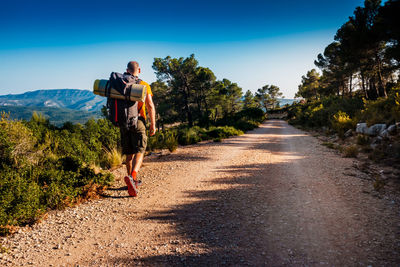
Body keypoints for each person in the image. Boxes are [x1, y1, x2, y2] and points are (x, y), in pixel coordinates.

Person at [122, 61, 156, 197]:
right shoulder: (144, 85)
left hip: (123, 122)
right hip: (138, 121)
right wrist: (153, 124)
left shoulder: (121, 84)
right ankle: (133, 177)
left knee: (128, 154)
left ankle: (131, 180)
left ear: (127, 70)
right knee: (140, 150)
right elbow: (150, 105)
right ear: (139, 70)